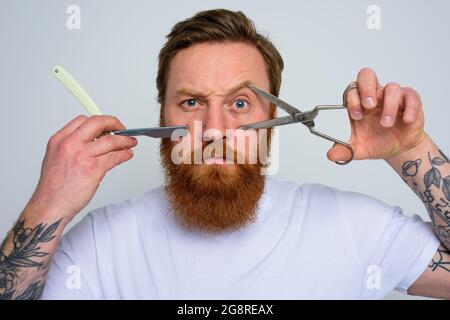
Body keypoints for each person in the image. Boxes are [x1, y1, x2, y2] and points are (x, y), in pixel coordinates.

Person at [0, 8, 449, 300]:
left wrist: (410, 150)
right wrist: (49, 203)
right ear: (161, 115)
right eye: (192, 102)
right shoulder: (99, 247)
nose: (214, 130)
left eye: (239, 104)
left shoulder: (353, 228)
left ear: (274, 115)